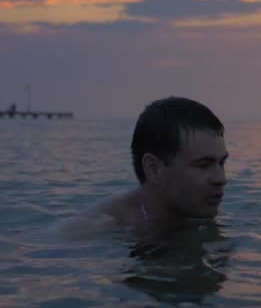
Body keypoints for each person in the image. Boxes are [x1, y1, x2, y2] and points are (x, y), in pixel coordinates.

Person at [61, 96, 229, 236]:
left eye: (222, 163)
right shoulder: (94, 229)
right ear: (153, 169)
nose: (221, 179)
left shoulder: (205, 215)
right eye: (203, 165)